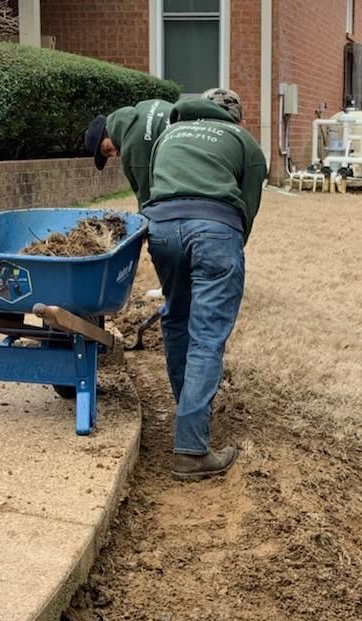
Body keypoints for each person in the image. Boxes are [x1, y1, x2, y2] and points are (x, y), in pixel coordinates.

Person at [142, 88, 267, 480]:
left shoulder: (167, 134)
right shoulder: (243, 142)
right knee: (206, 336)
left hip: (161, 229)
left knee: (176, 319)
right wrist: (225, 253)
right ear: (235, 116)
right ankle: (192, 450)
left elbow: (153, 187)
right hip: (215, 228)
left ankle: (188, 413)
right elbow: (246, 208)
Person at [84, 98, 173, 209]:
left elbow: (147, 197)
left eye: (107, 149)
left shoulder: (132, 144)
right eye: (109, 155)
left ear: (109, 132)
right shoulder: (143, 106)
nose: (115, 154)